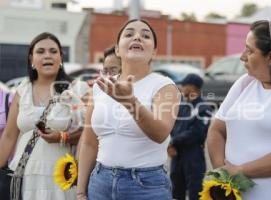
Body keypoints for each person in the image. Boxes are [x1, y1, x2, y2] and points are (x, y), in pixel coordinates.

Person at [77, 19, 181, 200]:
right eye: (129, 34)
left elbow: (160, 134)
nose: (138, 37)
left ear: (154, 52)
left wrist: (129, 101)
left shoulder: (165, 86)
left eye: (146, 36)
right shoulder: (100, 87)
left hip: (146, 185)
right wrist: (80, 192)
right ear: (117, 49)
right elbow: (88, 142)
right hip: (100, 182)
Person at [207, 20, 271, 200]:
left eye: (249, 51)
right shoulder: (244, 83)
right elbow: (217, 129)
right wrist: (223, 177)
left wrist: (240, 171)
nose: (242, 56)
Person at [0, 32, 88, 200]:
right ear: (31, 59)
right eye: (40, 51)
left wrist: (62, 137)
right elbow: (9, 136)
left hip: (61, 176)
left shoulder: (78, 89)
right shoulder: (22, 89)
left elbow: (90, 135)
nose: (47, 55)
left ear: (61, 57)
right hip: (22, 175)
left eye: (53, 51)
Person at [168, 74, 212, 200]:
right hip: (177, 156)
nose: (181, 88)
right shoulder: (182, 106)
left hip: (193, 157)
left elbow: (197, 132)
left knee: (195, 193)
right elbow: (172, 127)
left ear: (192, 87)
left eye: (184, 85)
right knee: (176, 192)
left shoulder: (203, 108)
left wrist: (173, 142)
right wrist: (169, 145)